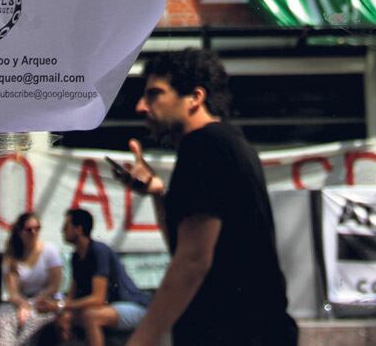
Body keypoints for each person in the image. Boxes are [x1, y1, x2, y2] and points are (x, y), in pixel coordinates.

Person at [115, 49, 297, 346]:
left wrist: (142, 340)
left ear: (195, 97)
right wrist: (158, 193)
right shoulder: (227, 143)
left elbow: (192, 260)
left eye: (154, 95)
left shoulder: (203, 145)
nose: (140, 106)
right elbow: (185, 246)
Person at [36, 208, 149, 346]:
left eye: (66, 226)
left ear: (78, 229)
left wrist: (59, 306)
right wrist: (61, 311)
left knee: (90, 316)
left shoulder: (98, 251)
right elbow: (71, 296)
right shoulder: (76, 257)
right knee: (63, 318)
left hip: (133, 306)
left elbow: (97, 298)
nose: (62, 230)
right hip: (108, 308)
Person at [0, 211, 63, 346]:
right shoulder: (11, 256)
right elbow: (13, 292)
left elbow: (54, 285)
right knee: (1, 317)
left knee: (32, 321)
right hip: (21, 301)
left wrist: (32, 304)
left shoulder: (49, 250)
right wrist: (23, 305)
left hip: (45, 300)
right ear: (20, 232)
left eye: (37, 229)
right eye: (29, 230)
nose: (34, 233)